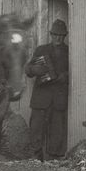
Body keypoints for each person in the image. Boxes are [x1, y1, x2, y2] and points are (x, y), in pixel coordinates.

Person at [25, 19, 69, 162]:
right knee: (36, 127)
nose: (58, 38)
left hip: (58, 97)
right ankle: (35, 157)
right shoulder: (41, 50)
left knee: (57, 129)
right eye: (55, 34)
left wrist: (65, 76)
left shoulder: (69, 52)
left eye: (61, 35)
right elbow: (28, 69)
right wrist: (34, 69)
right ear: (51, 34)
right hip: (41, 97)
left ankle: (53, 158)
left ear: (65, 36)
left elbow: (75, 72)